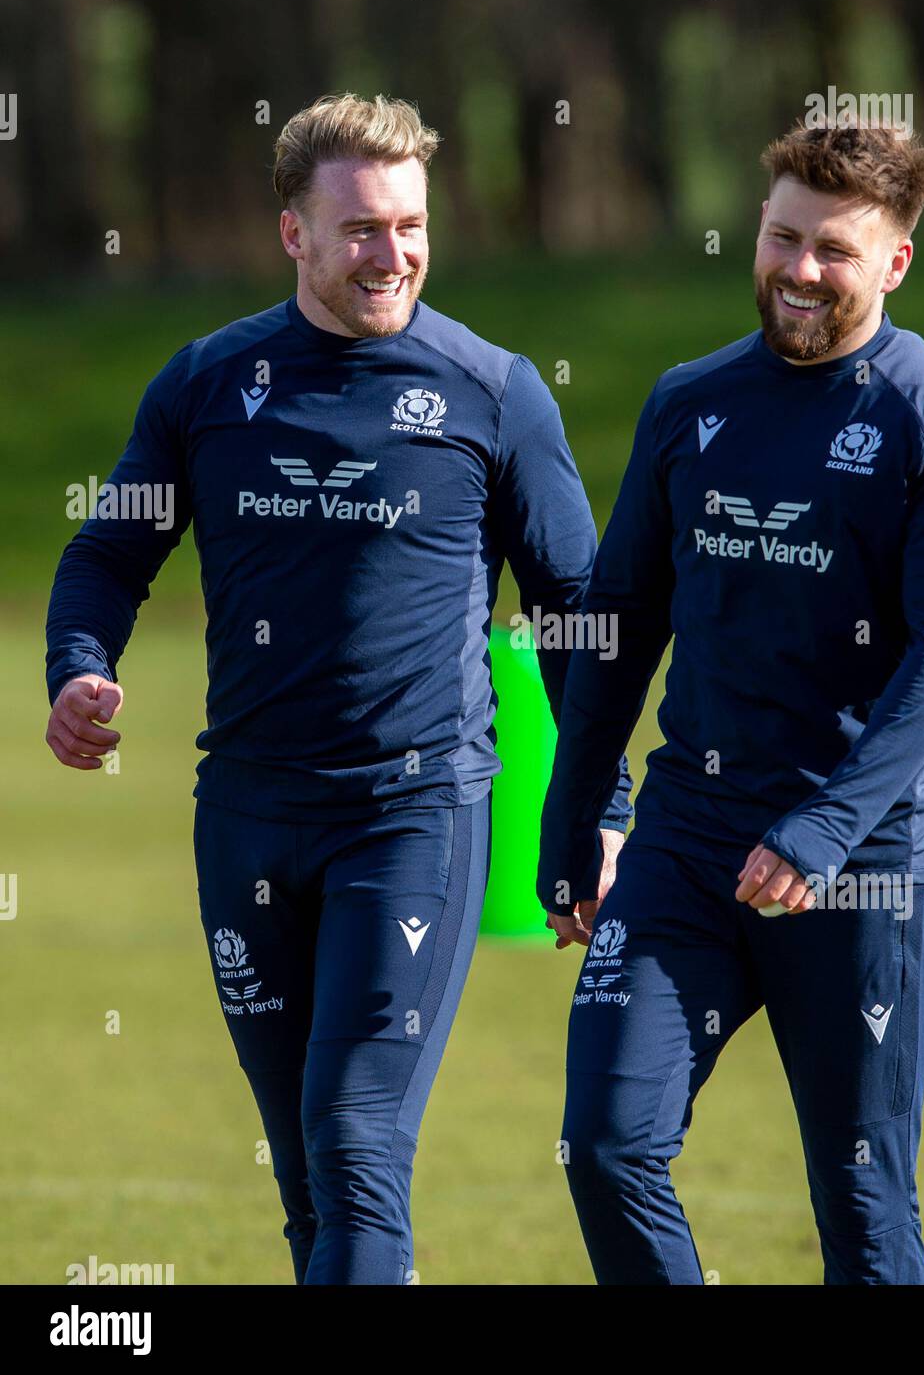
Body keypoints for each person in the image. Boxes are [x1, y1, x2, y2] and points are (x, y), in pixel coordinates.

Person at [44, 91, 628, 1285]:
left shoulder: (493, 390)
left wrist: (603, 805)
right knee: (308, 1176)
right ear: (292, 235)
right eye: (361, 227)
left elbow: (576, 607)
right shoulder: (209, 384)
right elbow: (108, 555)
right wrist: (80, 669)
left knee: (358, 1136)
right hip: (246, 813)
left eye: (411, 225)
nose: (393, 253)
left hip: (414, 813)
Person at [537, 122, 924, 1284]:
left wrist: (825, 827)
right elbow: (619, 620)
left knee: (860, 1200)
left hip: (865, 865)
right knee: (604, 1145)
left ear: (895, 262)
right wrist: (574, 810)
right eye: (782, 237)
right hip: (686, 846)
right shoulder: (690, 401)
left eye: (834, 251)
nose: (799, 270)